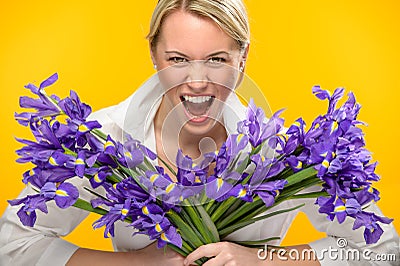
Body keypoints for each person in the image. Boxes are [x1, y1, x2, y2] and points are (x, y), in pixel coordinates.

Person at [1, 0, 399, 265]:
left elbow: (383, 250)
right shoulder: (101, 139)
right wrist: (136, 263)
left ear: (242, 60)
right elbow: (12, 247)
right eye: (177, 59)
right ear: (153, 57)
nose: (196, 80)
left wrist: (260, 260)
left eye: (216, 59)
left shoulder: (283, 151)